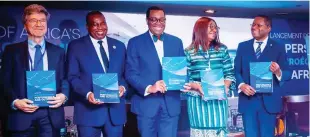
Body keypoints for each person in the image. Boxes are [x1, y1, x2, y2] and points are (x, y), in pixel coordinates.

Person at [0, 4, 68, 137]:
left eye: (42, 20)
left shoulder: (58, 52)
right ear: (25, 25)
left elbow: (65, 78)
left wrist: (64, 96)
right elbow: (4, 82)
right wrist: (15, 102)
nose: (39, 24)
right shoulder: (11, 51)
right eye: (33, 20)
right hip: (21, 115)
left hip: (50, 116)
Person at [125, 6, 185, 137]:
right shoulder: (135, 43)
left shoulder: (176, 42)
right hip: (146, 105)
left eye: (162, 20)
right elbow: (130, 73)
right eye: (154, 19)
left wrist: (184, 83)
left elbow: (182, 70)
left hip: (171, 104)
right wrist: (149, 87)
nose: (158, 23)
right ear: (147, 21)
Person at [66, 11, 127, 137]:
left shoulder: (120, 46)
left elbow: (126, 74)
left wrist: (122, 87)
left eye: (103, 23)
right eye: (95, 24)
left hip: (115, 114)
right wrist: (87, 94)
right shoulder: (76, 46)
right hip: (88, 113)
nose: (100, 28)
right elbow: (72, 77)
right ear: (87, 27)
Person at [234, 15, 290, 137]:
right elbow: (236, 71)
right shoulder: (242, 46)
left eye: (258, 25)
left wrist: (278, 72)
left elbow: (288, 73)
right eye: (253, 25)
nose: (254, 27)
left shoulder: (278, 47)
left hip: (268, 104)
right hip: (248, 103)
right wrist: (242, 85)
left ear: (269, 28)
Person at [182, 17, 235, 137]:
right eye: (210, 27)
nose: (214, 30)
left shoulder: (222, 49)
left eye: (215, 27)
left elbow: (230, 74)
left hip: (218, 102)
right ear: (200, 29)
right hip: (197, 103)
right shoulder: (189, 52)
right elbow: (184, 79)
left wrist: (225, 87)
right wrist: (196, 86)